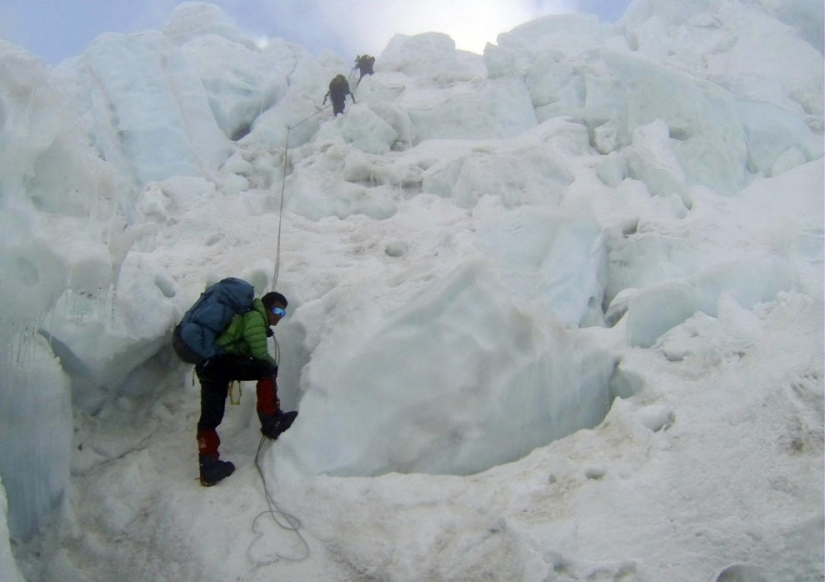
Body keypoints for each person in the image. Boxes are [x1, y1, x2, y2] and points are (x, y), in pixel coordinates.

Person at [195, 291, 297, 486]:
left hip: (207, 365)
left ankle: (208, 466)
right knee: (266, 370)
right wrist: (273, 366)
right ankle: (271, 420)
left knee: (209, 418)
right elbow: (260, 353)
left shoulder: (249, 317)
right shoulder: (255, 318)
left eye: (283, 314)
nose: (279, 316)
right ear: (266, 307)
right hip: (220, 364)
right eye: (277, 311)